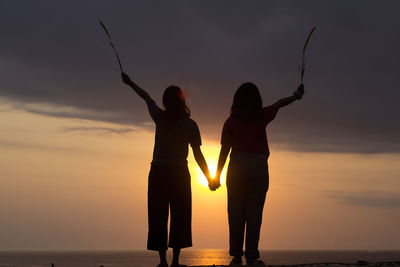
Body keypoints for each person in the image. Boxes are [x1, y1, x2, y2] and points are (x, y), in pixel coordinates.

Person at [121, 72, 215, 267]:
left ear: (165, 102)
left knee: (158, 217)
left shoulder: (160, 117)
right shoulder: (190, 125)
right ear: (182, 102)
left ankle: (163, 261)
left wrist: (130, 83)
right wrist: (209, 178)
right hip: (179, 174)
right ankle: (176, 262)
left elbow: (146, 97)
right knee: (180, 217)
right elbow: (198, 155)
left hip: (158, 173)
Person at [212, 82, 305, 266]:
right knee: (255, 214)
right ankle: (252, 257)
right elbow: (279, 103)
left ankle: (237, 257)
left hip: (237, 165)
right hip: (258, 166)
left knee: (236, 213)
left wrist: (216, 177)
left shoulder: (230, 122)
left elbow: (225, 151)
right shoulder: (262, 116)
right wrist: (295, 96)